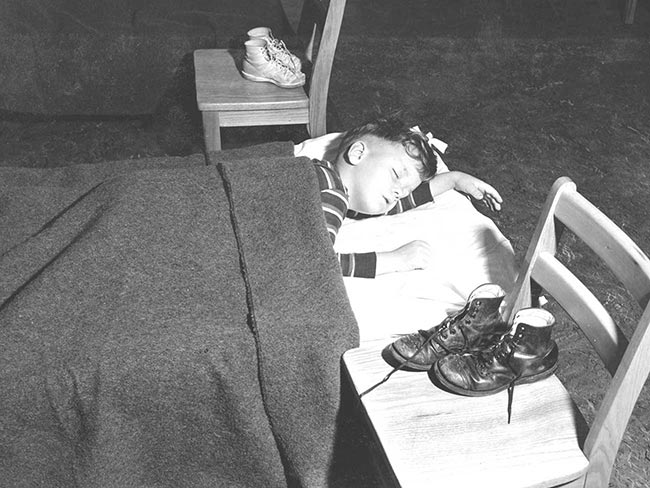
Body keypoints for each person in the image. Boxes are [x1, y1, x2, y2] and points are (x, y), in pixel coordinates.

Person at [295, 116, 503, 278]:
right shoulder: (332, 193)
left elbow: (398, 205)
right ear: (357, 153)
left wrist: (453, 180)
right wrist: (395, 260)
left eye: (404, 191)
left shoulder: (327, 180)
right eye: (396, 175)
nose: (398, 192)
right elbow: (316, 262)